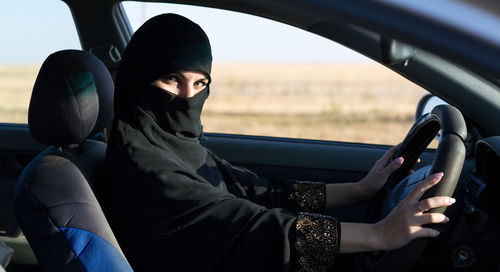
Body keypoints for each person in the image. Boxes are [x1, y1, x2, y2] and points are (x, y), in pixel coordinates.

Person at [104, 13, 455, 271]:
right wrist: (379, 236)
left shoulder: (172, 146)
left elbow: (261, 191)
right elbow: (256, 227)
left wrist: (361, 189)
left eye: (199, 83)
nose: (187, 97)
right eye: (170, 80)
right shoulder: (146, 169)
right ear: (138, 78)